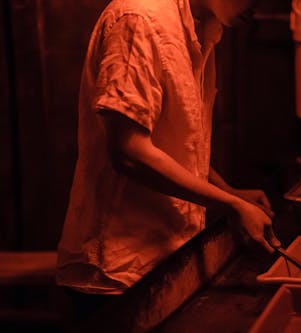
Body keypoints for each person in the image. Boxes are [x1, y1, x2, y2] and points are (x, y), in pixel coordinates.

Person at [56, 0, 281, 308]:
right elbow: (129, 152)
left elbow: (173, 149)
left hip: (166, 261)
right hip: (116, 275)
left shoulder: (205, 27)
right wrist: (229, 204)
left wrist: (231, 193)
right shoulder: (139, 19)